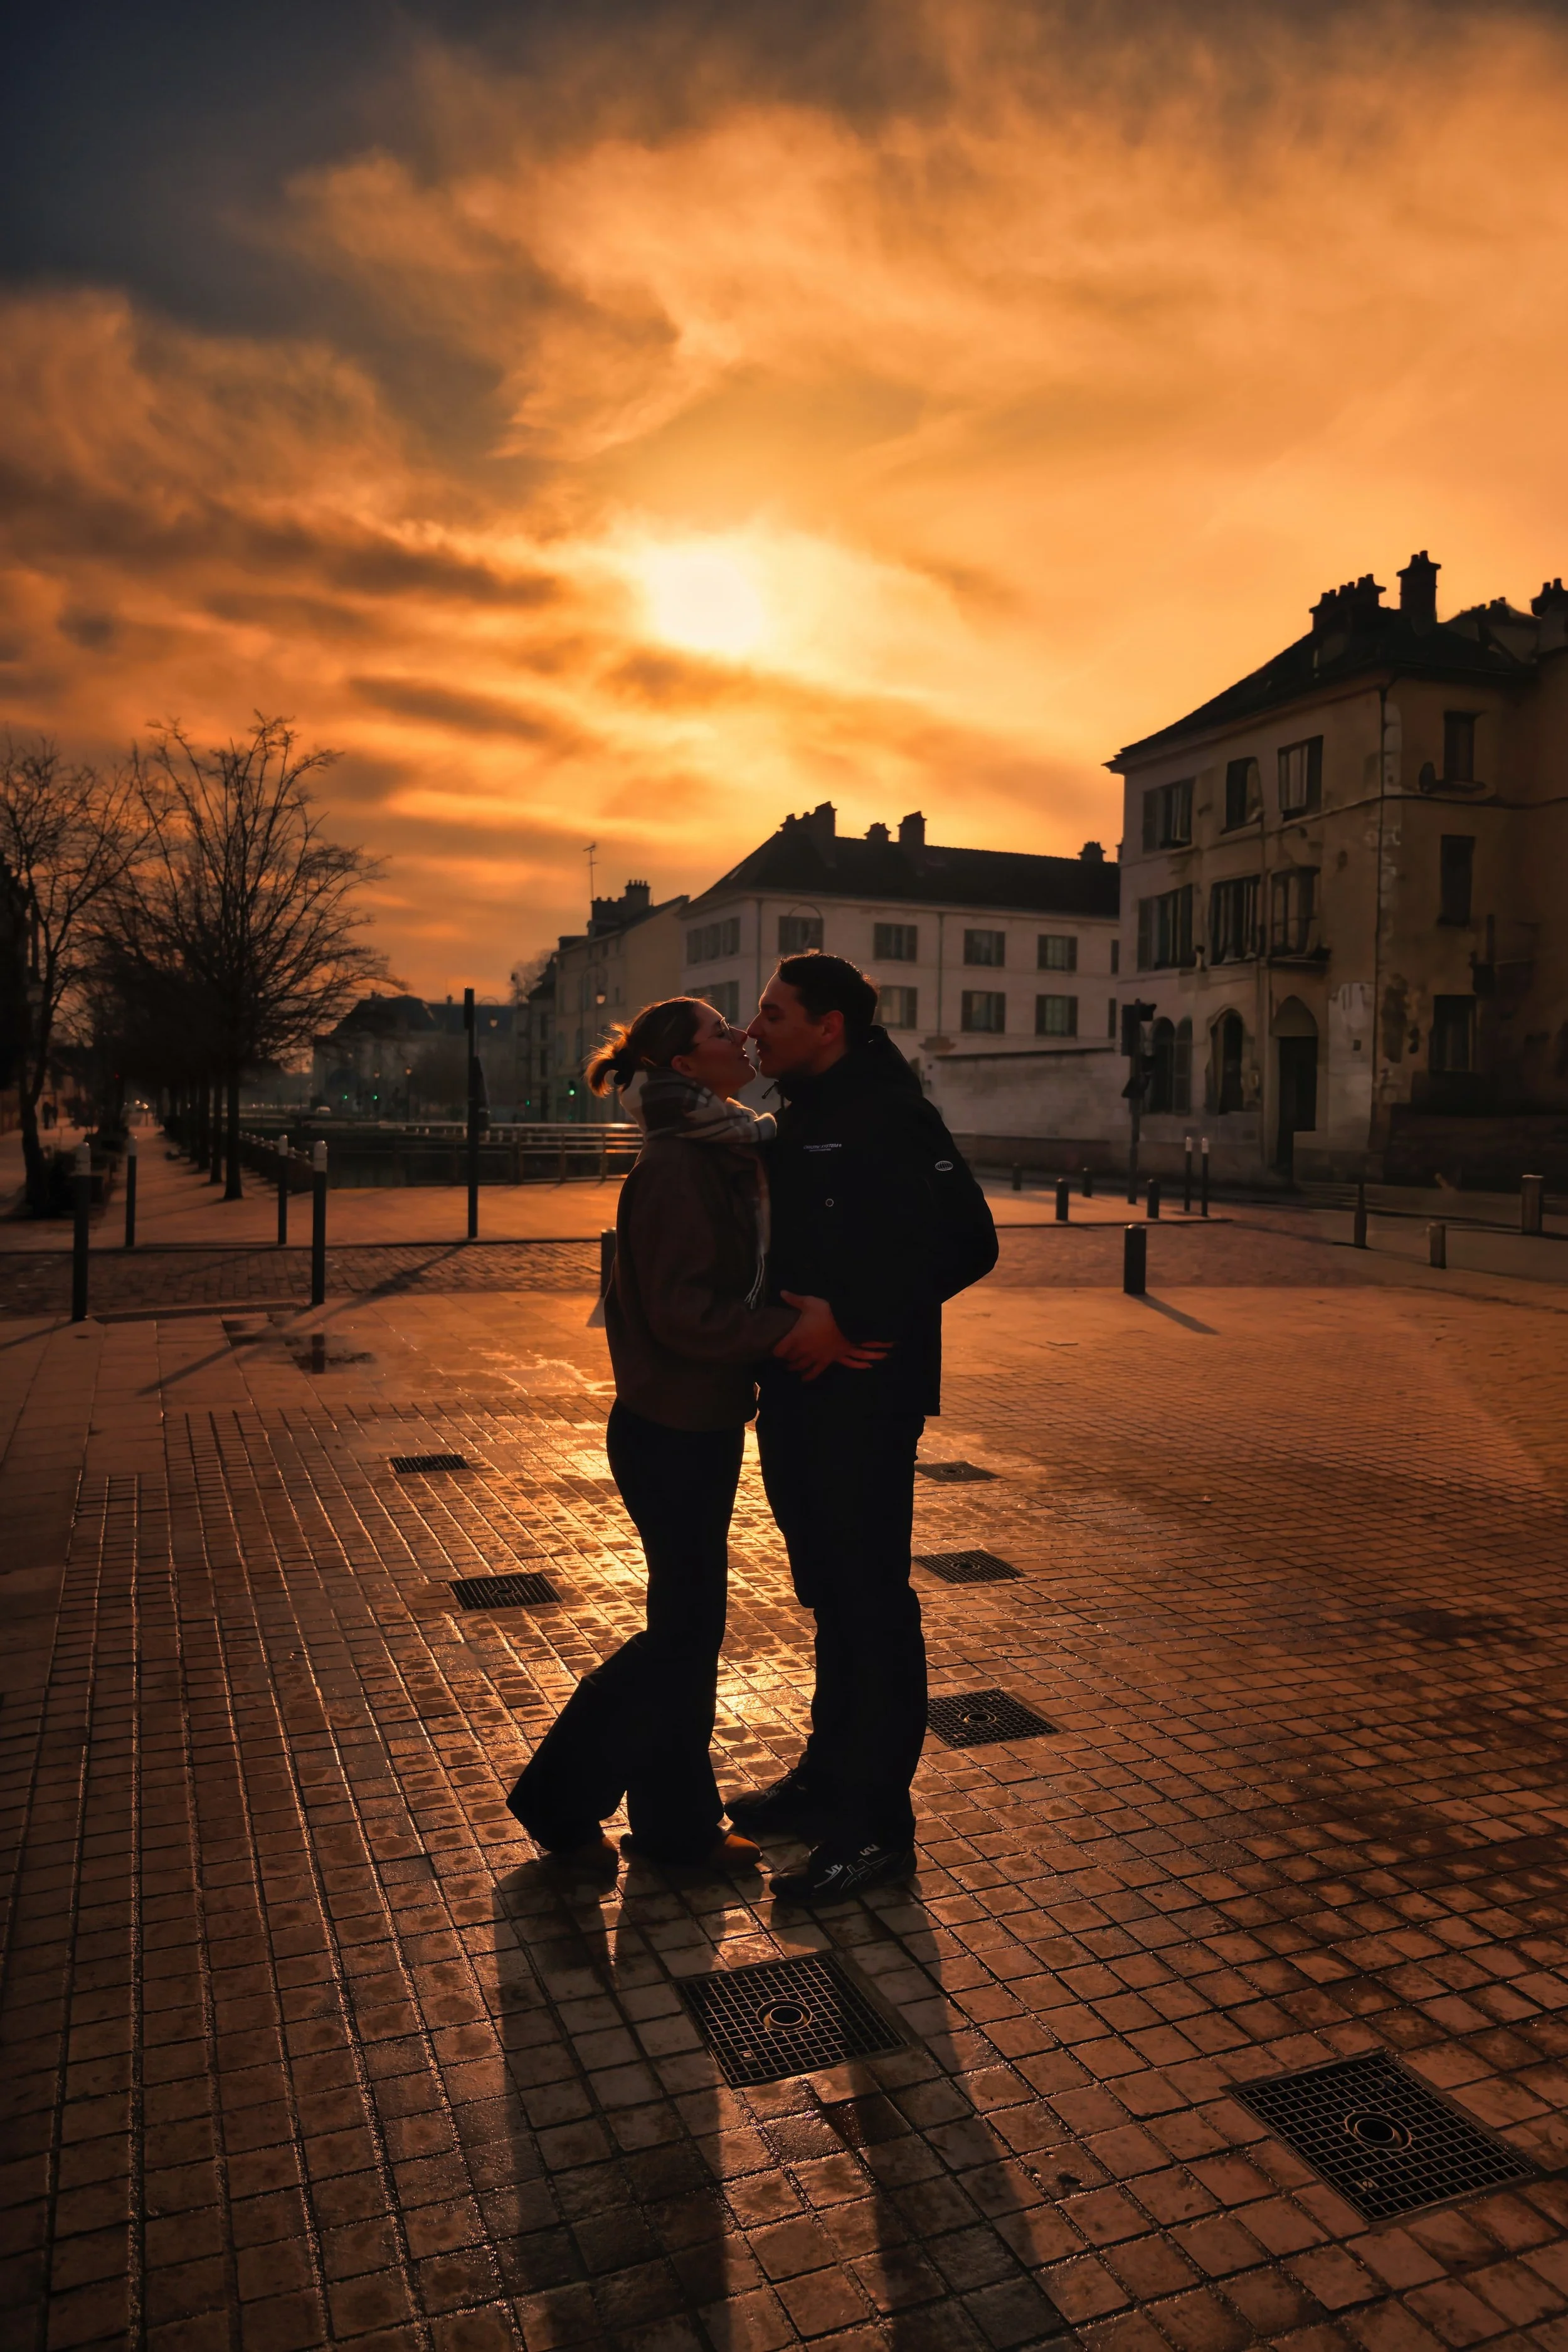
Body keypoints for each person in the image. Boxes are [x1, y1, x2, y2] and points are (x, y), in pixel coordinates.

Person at [506, 995, 883, 1873]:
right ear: (685, 1065)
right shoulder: (680, 1164)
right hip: (671, 1428)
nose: (741, 1037)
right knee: (682, 1634)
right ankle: (560, 1796)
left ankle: (676, 1823)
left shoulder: (717, 1147)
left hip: (693, 1420)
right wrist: (783, 1334)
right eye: (721, 1032)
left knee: (688, 1627)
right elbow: (683, 1310)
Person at [727, 953, 999, 1903]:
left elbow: (971, 1240)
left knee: (873, 1603)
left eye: (772, 1011)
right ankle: (824, 1780)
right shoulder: (800, 1109)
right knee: (829, 1597)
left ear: (828, 1023)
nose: (754, 1027)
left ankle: (879, 1823)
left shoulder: (890, 1109)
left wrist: (856, 1318)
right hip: (798, 1397)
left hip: (867, 1401)